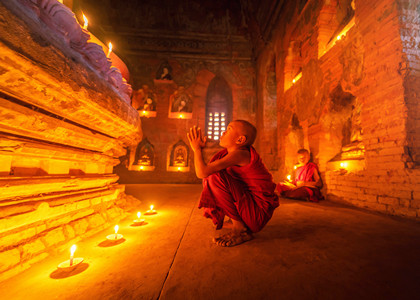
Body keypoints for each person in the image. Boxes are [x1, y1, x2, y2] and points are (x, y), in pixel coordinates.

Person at [187, 120, 279, 247]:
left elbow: (202, 172)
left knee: (214, 175)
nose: (223, 132)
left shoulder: (241, 154)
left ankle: (239, 228)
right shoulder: (229, 154)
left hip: (256, 213)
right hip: (249, 210)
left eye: (229, 129)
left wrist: (196, 149)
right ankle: (239, 221)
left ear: (240, 140)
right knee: (213, 174)